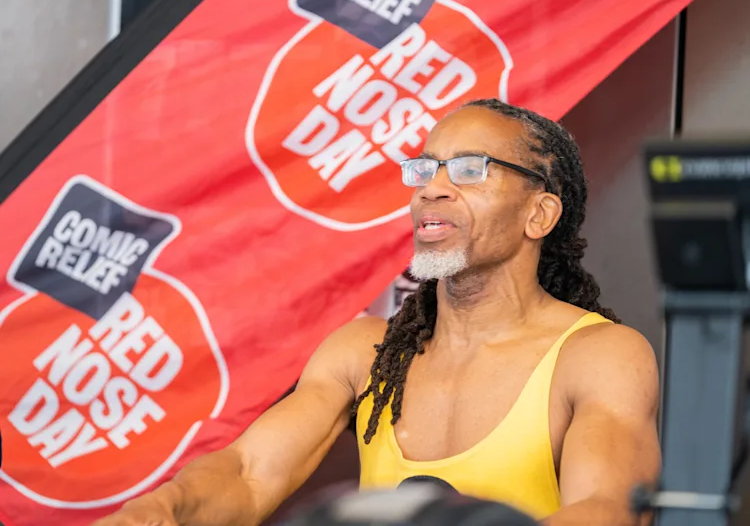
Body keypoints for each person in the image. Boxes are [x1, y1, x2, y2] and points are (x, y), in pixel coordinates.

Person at [94, 99, 661, 526]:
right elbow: (248, 474)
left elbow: (607, 510)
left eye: (469, 169)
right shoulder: (362, 351)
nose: (432, 189)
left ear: (539, 214)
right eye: (425, 170)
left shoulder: (600, 355)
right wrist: (161, 508)